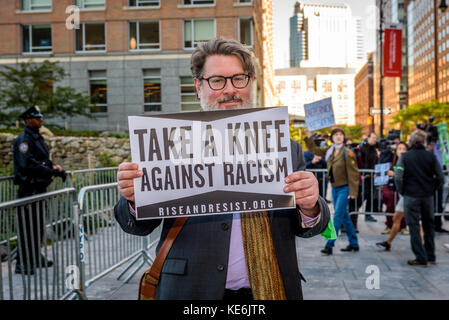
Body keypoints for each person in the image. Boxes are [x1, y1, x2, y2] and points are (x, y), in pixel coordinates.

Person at [113, 38, 331, 300]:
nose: (230, 90)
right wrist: (134, 199)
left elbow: (310, 226)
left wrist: (310, 207)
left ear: (251, 83)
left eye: (239, 78)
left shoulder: (285, 147)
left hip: (269, 290)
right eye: (217, 81)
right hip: (190, 291)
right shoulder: (166, 143)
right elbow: (137, 226)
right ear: (198, 86)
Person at [12, 106, 67, 275]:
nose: (41, 119)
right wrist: (52, 171)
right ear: (28, 120)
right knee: (27, 228)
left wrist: (52, 167)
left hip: (39, 190)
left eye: (41, 116)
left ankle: (35, 257)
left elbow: (42, 160)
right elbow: (28, 164)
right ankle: (22, 263)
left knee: (37, 227)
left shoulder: (37, 138)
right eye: (37, 117)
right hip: (29, 189)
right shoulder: (24, 140)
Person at [304, 128, 360, 255]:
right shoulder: (330, 151)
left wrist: (353, 191)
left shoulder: (348, 152)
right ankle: (354, 243)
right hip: (335, 187)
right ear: (332, 138)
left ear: (344, 137)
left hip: (344, 188)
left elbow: (353, 174)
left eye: (341, 134)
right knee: (344, 217)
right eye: (336, 135)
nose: (338, 137)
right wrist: (308, 136)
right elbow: (314, 150)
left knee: (337, 216)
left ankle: (329, 245)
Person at [394, 130, 444, 266]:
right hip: (427, 195)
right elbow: (440, 177)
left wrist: (402, 190)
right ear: (424, 142)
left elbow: (398, 176)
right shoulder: (431, 157)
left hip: (411, 195)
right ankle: (430, 255)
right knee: (428, 226)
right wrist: (432, 188)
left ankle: (420, 257)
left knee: (414, 226)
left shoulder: (405, 157)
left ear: (411, 142)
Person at [376, 142, 411, 251]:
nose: (401, 151)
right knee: (396, 215)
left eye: (403, 149)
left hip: (408, 192)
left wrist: (395, 175)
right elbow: (382, 159)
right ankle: (388, 240)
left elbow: (404, 176)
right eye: (399, 149)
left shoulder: (409, 161)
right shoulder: (392, 159)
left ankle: (425, 248)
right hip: (397, 190)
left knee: (414, 220)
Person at [428, 140, 449, 233]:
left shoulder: (442, 144)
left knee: (439, 203)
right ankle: (431, 225)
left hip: (438, 180)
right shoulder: (427, 150)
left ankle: (437, 224)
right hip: (429, 181)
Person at [360, 132, 380, 222]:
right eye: (373, 138)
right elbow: (361, 161)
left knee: (370, 196)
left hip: (372, 176)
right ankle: (353, 210)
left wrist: (376, 172)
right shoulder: (363, 148)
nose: (375, 139)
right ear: (368, 138)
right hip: (364, 176)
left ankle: (367, 214)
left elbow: (375, 162)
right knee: (363, 195)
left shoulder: (375, 149)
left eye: (376, 138)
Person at [304, 135, 328, 200]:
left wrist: (321, 159)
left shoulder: (322, 152)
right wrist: (312, 162)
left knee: (322, 196)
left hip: (321, 178)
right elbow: (304, 165)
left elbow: (327, 164)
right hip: (311, 179)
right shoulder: (306, 153)